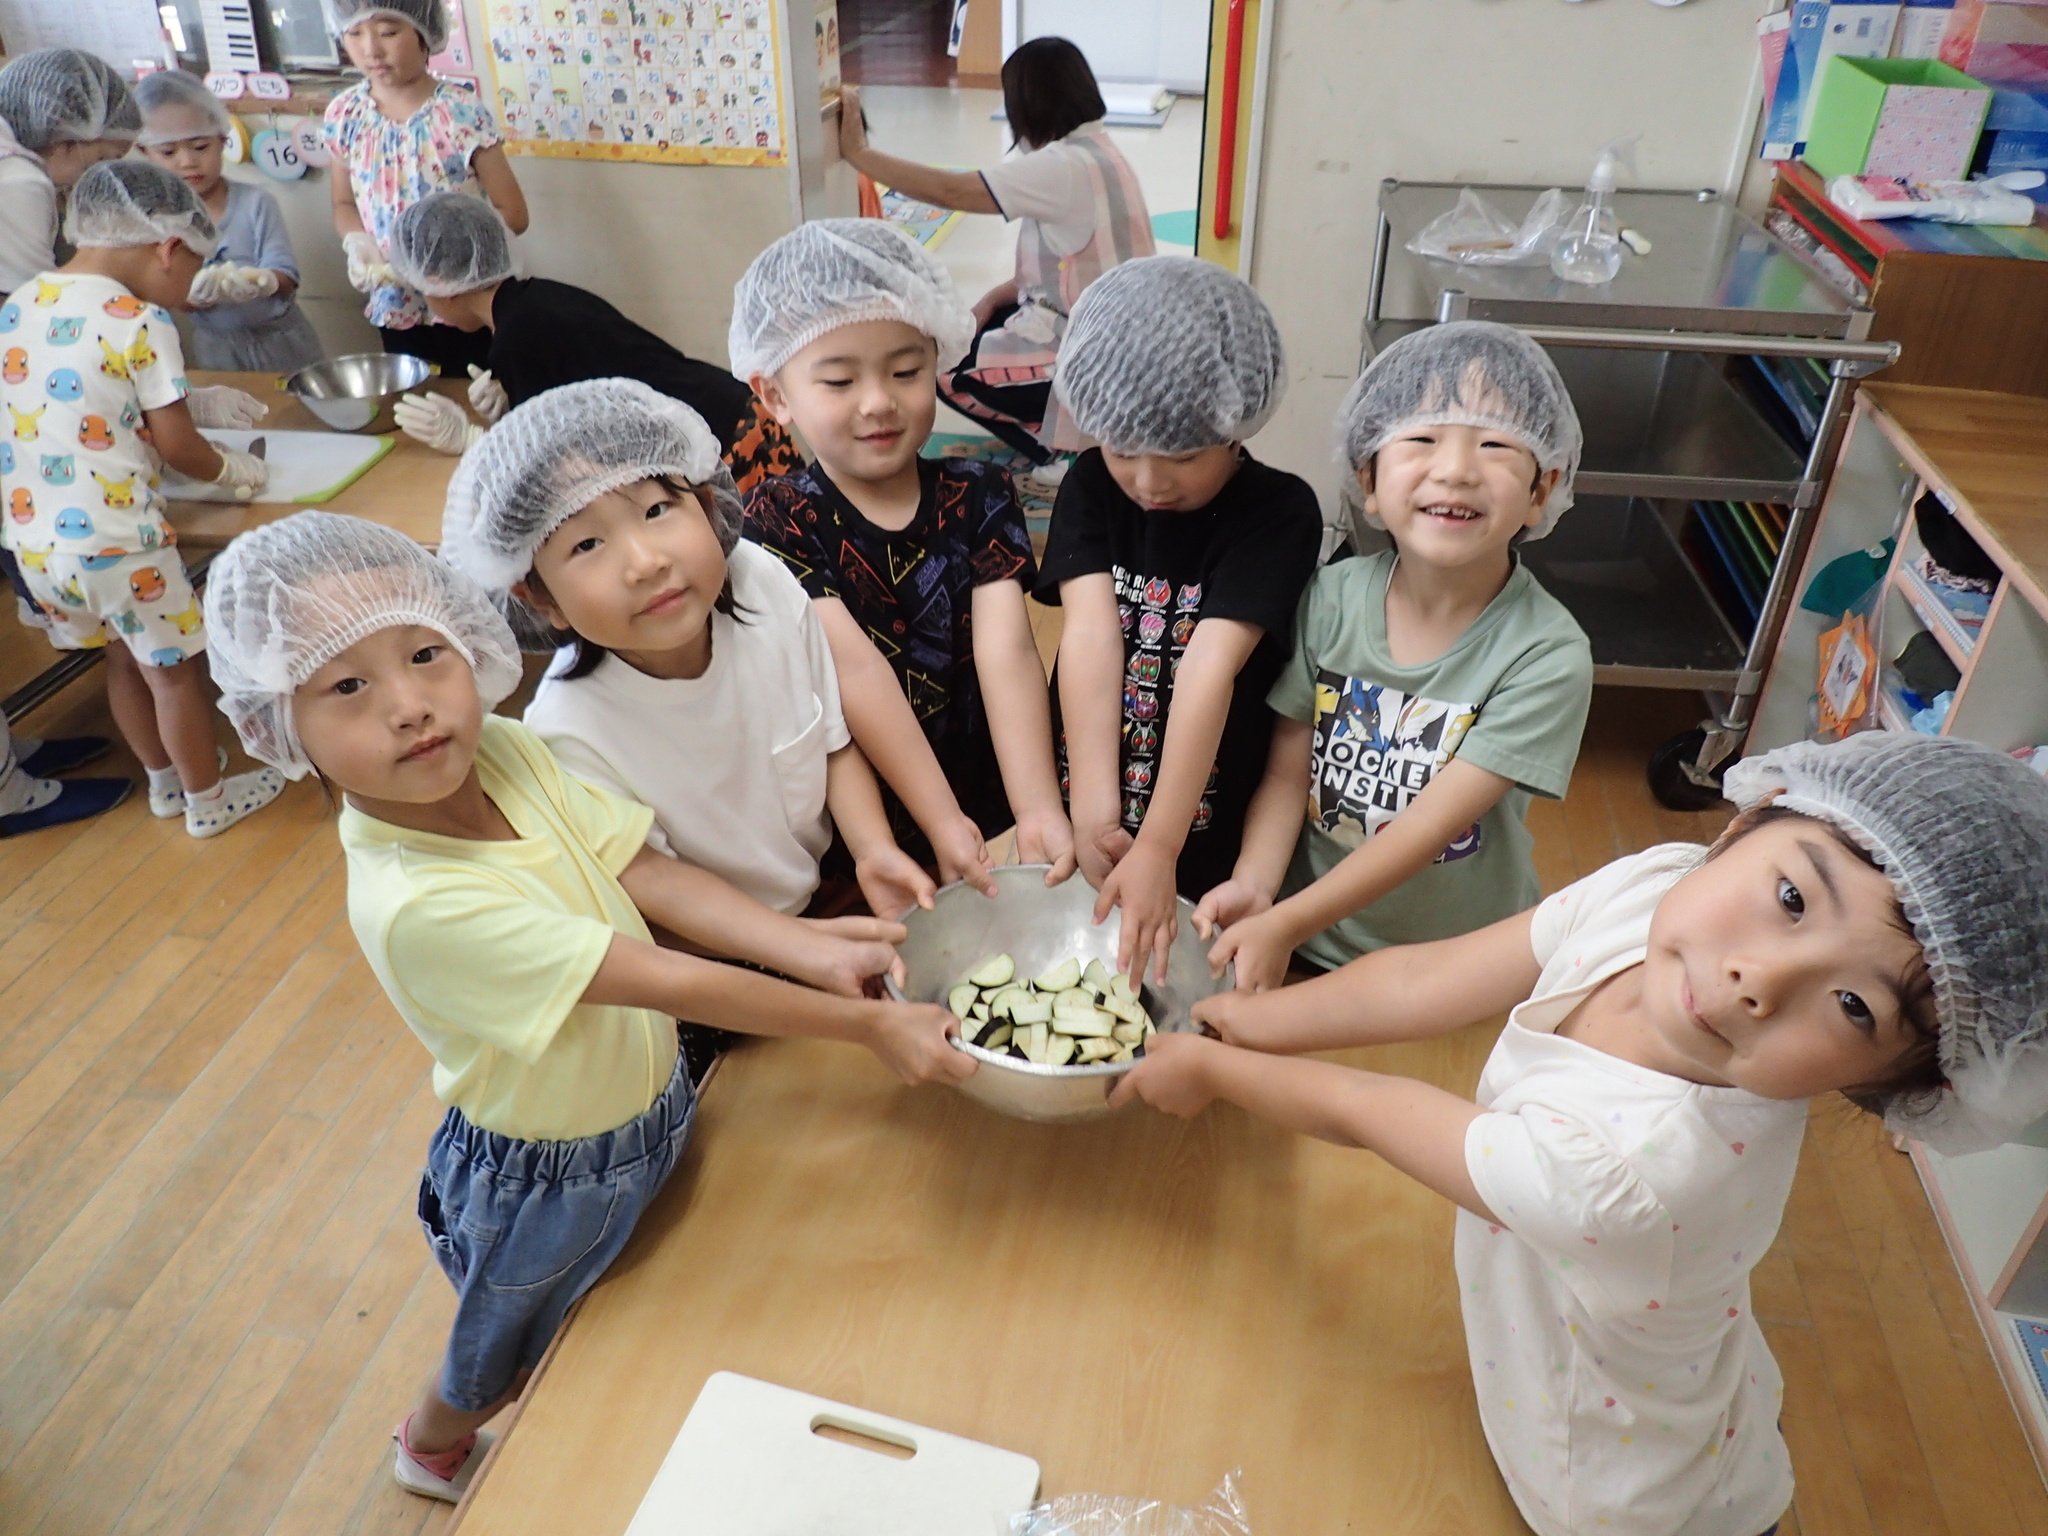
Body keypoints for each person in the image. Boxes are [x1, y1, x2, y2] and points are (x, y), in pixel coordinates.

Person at [200, 510, 970, 1503]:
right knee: (512, 1349)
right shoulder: (419, 903)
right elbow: (669, 979)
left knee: (621, 1306)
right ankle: (430, 1438)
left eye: (425, 654)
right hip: (546, 1173)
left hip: (641, 1103)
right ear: (276, 725)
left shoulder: (506, 755)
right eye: (347, 686)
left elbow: (642, 870)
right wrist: (863, 1020)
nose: (409, 706)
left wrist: (809, 945)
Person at [1114, 730, 2048, 1536]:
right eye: (1795, 900)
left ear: (1885, 1087)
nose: (1759, 979)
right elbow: (1426, 980)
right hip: (1667, 1361)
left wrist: (1214, 1069)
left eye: (1853, 1005)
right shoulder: (1656, 890)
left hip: (1613, 1481)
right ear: (1744, 820)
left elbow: (1369, 1113)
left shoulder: (1638, 1180)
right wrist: (1250, 1019)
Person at [440, 377, 939, 921]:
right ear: (539, 599)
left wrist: (874, 850)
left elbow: (831, 742)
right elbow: (661, 902)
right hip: (719, 954)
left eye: (656, 510)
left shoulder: (761, 582)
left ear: (707, 505)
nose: (645, 561)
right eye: (586, 544)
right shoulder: (571, 738)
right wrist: (801, 956)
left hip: (825, 892)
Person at [1199, 321, 1595, 991]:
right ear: (1369, 480)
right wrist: (1255, 887)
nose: (1457, 469)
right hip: (1302, 934)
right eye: (1421, 439)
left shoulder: (1547, 655)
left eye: (1497, 444)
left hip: (1453, 960)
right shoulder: (1331, 597)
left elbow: (1428, 826)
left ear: (1541, 490)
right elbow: (1287, 775)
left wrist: (1286, 921)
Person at [731, 220, 1074, 890]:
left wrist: (1036, 806)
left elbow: (1007, 652)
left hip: (978, 781)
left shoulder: (980, 492)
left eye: (906, 371)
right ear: (776, 396)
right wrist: (939, 821)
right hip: (860, 814)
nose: (879, 401)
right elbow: (853, 671)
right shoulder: (778, 518)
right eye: (837, 381)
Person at [1034, 256, 1322, 982]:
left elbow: (1210, 663)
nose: (1150, 482)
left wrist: (1159, 845)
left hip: (1206, 823)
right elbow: (1092, 634)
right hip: (1091, 804)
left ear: (1234, 429)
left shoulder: (1278, 511)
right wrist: (1094, 814)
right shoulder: (1091, 483)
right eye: (1126, 448)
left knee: (1185, 979)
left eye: (1184, 457)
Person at [0, 161, 282, 839]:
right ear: (165, 247)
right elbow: (182, 447)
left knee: (120, 659)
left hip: (36, 543)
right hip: (122, 544)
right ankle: (207, 799)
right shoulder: (139, 318)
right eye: (194, 268)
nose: (191, 290)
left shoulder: (22, 300)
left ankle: (163, 783)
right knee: (175, 675)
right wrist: (236, 470)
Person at [837, 36, 1154, 469]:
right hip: (1120, 337)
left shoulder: (1059, 166)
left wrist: (858, 153)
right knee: (980, 325)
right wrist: (989, 300)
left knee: (939, 364)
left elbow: (950, 189)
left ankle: (1065, 450)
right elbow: (1072, 266)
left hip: (1093, 350)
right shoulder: (1103, 152)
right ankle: (1069, 433)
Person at [380, 191, 800, 491]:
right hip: (735, 411)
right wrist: (512, 413)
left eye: (420, 288)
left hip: (726, 443)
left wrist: (474, 442)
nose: (428, 306)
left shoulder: (517, 335)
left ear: (440, 282)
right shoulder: (537, 299)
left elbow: (553, 468)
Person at [0, 48, 142, 833]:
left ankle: (7, 760)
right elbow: (34, 322)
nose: (94, 182)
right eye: (102, 158)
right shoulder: (19, 181)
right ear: (64, 142)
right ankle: (8, 795)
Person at [322, 0, 528, 374]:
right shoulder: (344, 115)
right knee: (417, 403)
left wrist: (451, 265)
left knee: (478, 396)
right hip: (396, 303)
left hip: (466, 302)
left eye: (388, 31)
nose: (371, 49)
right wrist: (358, 243)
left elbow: (513, 212)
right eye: (354, 33)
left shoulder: (460, 113)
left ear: (424, 34)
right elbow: (343, 203)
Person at [133, 71, 324, 376]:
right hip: (217, 348)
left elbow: (286, 274)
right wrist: (192, 295)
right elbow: (167, 293)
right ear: (145, 152)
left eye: (200, 147)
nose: (187, 162)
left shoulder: (256, 203)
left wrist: (261, 282)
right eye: (168, 152)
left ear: (222, 140)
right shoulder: (159, 222)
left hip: (283, 340)